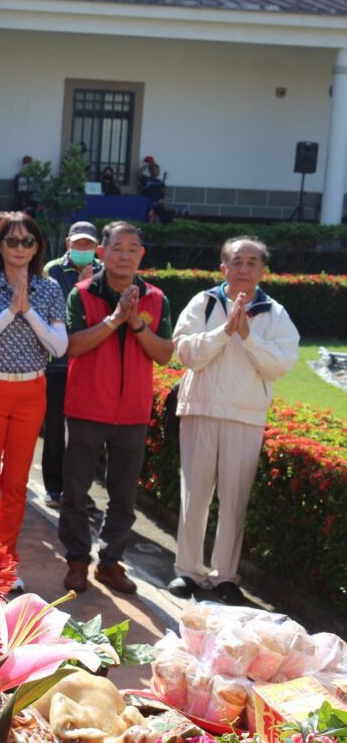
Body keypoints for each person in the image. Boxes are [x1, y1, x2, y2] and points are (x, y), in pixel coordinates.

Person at [168, 237, 299, 605]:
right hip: (200, 409)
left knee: (234, 500)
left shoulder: (274, 313)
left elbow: (280, 365)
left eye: (252, 262)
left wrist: (248, 336)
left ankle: (225, 576)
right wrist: (224, 332)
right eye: (237, 261)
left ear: (262, 270)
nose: (244, 268)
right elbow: (186, 353)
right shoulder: (204, 302)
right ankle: (187, 571)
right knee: (193, 495)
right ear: (223, 268)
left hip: (245, 416)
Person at [60, 221, 174, 596]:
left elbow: (164, 354)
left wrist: (137, 322)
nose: (124, 255)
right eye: (117, 248)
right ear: (101, 252)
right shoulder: (81, 294)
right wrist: (113, 320)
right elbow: (72, 346)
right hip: (87, 407)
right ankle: (77, 560)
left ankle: (111, 563)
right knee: (76, 491)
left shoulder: (156, 299)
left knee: (123, 495)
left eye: (132, 249)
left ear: (142, 254)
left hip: (133, 412)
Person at [0, 213, 67, 591]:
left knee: (16, 483)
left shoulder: (50, 288)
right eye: (12, 241)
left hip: (30, 391)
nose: (20, 248)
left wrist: (29, 312)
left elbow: (58, 347)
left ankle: (4, 565)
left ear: (37, 247)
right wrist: (11, 311)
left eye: (28, 241)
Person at [41, 222, 102, 508]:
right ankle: (53, 487)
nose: (82, 249)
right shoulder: (52, 270)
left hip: (91, 362)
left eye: (87, 245)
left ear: (96, 247)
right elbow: (59, 312)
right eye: (78, 244)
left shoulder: (106, 271)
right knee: (54, 427)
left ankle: (79, 491)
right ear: (67, 243)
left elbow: (105, 315)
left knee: (85, 433)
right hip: (57, 363)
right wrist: (83, 287)